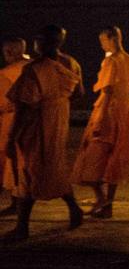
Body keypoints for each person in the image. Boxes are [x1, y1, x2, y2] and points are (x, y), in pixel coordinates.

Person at [2, 26, 84, 242]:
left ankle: (22, 227)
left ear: (43, 43)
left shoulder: (34, 69)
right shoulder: (71, 63)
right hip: (59, 121)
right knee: (54, 166)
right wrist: (58, 104)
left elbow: (23, 106)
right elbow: (79, 93)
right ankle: (74, 209)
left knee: (28, 171)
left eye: (38, 40)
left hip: (36, 124)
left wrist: (11, 137)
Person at [72, 26, 129, 218]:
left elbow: (108, 90)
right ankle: (107, 206)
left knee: (92, 157)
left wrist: (100, 118)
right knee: (115, 159)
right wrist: (124, 90)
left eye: (103, 40)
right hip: (124, 112)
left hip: (108, 111)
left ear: (112, 38)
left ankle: (102, 199)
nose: (102, 44)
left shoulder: (110, 61)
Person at [0, 36, 31, 217]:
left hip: (12, 121)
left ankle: (17, 205)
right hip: (34, 122)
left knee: (12, 163)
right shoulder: (34, 67)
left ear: (10, 52)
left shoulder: (6, 73)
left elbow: (3, 103)